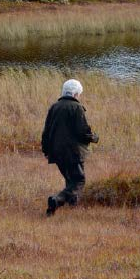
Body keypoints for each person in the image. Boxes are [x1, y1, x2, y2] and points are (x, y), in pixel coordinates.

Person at [41, 79, 99, 217]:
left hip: (56, 152)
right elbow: (82, 132)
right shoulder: (76, 107)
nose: (79, 96)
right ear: (75, 94)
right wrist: (93, 138)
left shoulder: (54, 107)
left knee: (70, 179)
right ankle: (56, 200)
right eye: (79, 94)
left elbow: (46, 132)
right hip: (72, 152)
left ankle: (73, 205)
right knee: (79, 180)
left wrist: (46, 150)